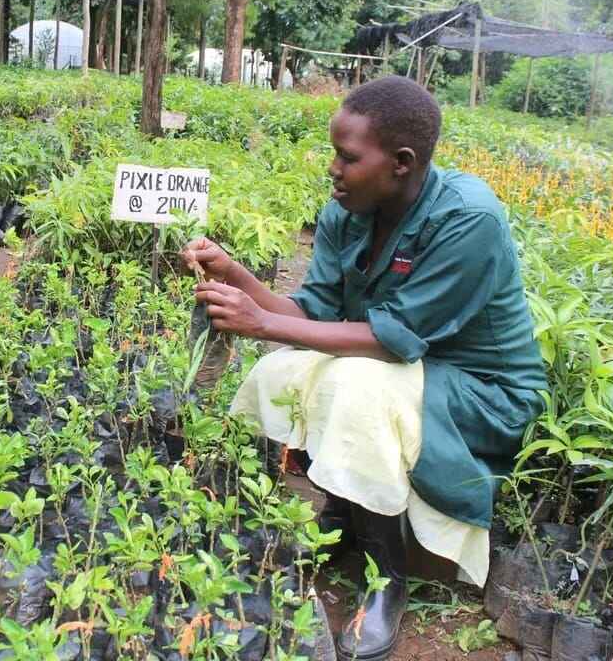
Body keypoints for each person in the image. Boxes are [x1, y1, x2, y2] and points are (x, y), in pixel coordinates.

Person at [183, 76, 546, 661]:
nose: (333, 169)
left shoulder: (467, 218)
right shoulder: (348, 213)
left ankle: (386, 575)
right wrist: (236, 276)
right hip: (403, 373)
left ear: (401, 163)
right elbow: (312, 315)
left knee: (355, 386)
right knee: (282, 372)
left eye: (348, 157)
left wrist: (262, 322)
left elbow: (393, 341)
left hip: (480, 394)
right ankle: (347, 517)